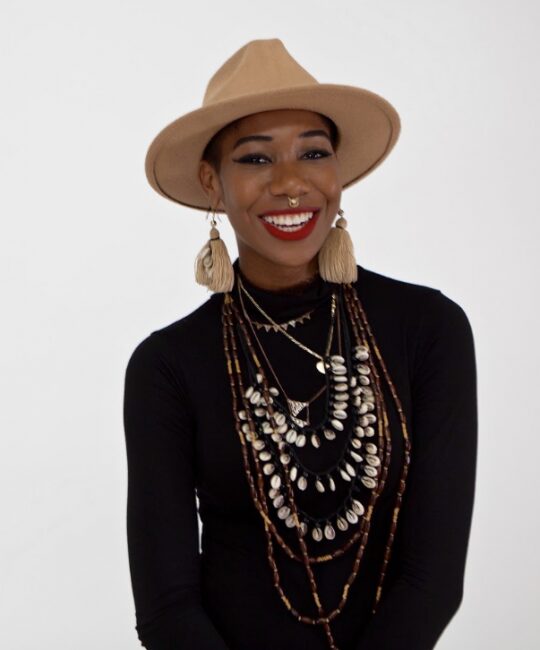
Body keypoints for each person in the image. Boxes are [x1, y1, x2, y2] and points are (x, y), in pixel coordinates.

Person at [123, 39, 478, 650]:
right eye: (256, 160)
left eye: (313, 153)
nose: (290, 183)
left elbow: (433, 579)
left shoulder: (428, 328)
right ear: (214, 183)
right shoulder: (168, 367)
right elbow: (167, 608)